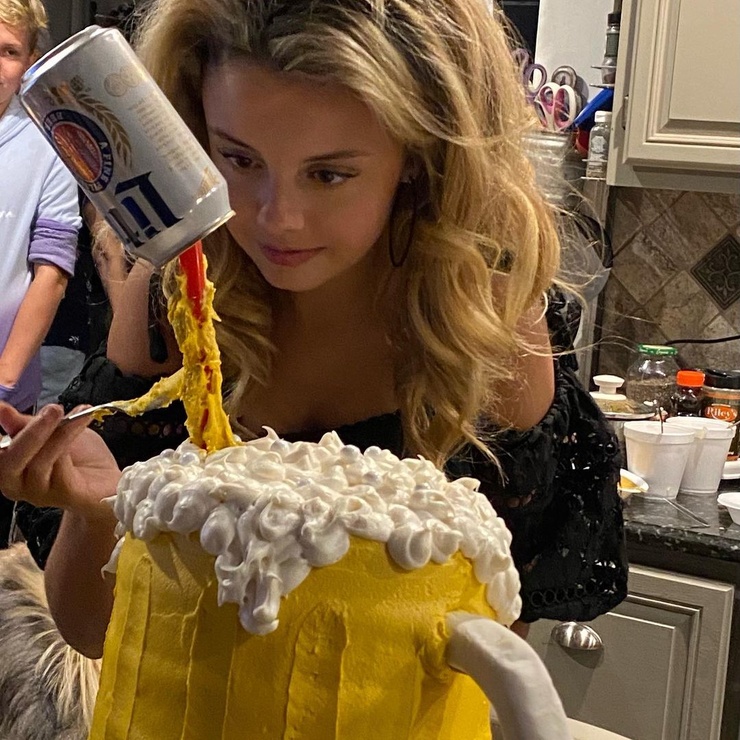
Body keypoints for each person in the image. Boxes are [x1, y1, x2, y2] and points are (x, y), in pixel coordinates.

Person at [0, 0, 626, 662]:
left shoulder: (484, 323)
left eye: (328, 174)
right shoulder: (176, 295)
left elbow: (493, 650)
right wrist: (99, 510)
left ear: (419, 155)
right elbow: (95, 633)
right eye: (240, 160)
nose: (279, 218)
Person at [0, 0, 80, 546]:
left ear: (29, 61)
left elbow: (51, 272)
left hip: (6, 397)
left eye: (8, 51)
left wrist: (3, 381)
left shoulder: (49, 145)